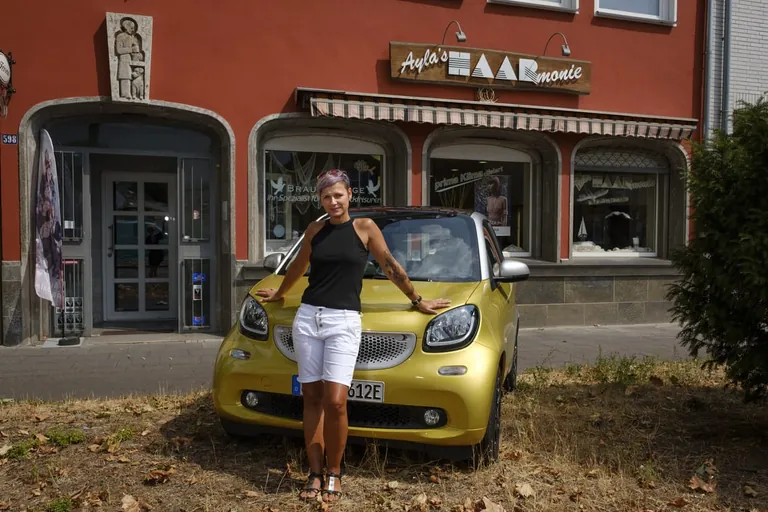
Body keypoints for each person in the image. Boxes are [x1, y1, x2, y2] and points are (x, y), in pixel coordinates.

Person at [255, 169, 451, 503]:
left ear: (349, 195)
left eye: (338, 195)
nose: (333, 202)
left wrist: (417, 300)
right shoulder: (315, 229)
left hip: (343, 322)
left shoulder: (364, 228)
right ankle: (314, 473)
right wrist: (280, 293)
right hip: (308, 320)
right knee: (312, 399)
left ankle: (335, 471)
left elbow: (389, 265)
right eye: (326, 197)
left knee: (336, 401)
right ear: (320, 200)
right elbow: (299, 267)